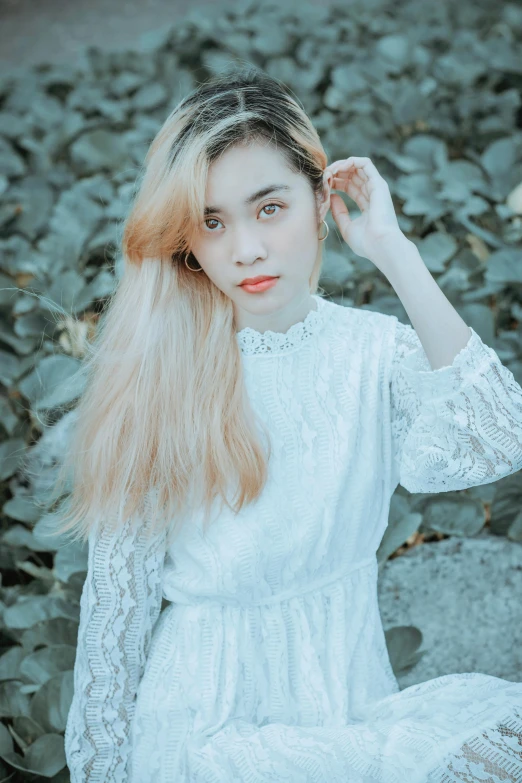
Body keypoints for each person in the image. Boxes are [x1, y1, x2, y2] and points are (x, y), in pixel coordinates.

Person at [60, 65, 522, 782]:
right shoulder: (161, 378)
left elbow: (497, 437)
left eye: (268, 207)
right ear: (188, 240)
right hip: (205, 728)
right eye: (212, 222)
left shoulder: (372, 353)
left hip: (348, 702)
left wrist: (394, 251)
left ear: (320, 198)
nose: (244, 247)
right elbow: (116, 618)